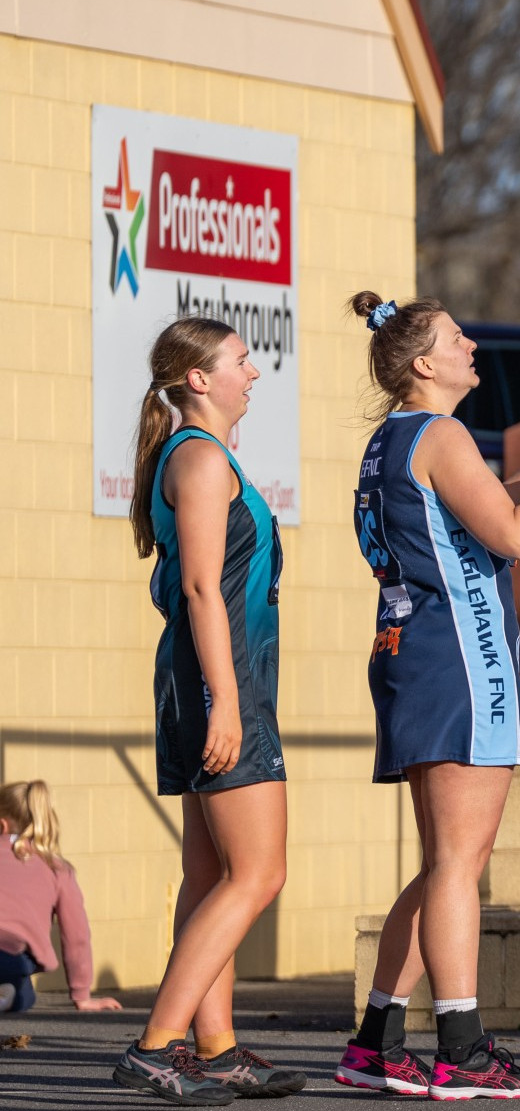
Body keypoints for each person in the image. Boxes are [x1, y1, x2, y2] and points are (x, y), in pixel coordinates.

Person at [335, 292, 520, 1101]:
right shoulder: (441, 433)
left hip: (414, 653)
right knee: (458, 864)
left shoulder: (395, 439)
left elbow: (491, 506)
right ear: (423, 364)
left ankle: (377, 1038)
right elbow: (518, 535)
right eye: (457, 337)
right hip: (458, 657)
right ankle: (462, 1045)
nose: (472, 342)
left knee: (444, 864)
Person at [113, 317, 307, 1104]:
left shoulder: (205, 455)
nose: (253, 372)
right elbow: (199, 587)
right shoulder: (195, 458)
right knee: (260, 874)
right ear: (199, 378)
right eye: (240, 360)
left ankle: (217, 1045)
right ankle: (155, 1044)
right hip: (216, 685)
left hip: (218, 680)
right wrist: (227, 701)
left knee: (213, 874)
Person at [0, 781, 121, 1015]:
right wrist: (81, 995)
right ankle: (10, 994)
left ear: (2, 825)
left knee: (22, 988)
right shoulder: (56, 868)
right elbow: (76, 936)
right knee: (24, 994)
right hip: (12, 959)